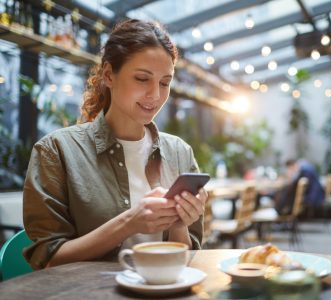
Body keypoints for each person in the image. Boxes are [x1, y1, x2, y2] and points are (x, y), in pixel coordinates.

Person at [23, 19, 207, 270]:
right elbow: (47, 260)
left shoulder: (179, 153)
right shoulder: (56, 151)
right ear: (109, 75)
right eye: (142, 79)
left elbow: (187, 256)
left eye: (165, 82)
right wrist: (130, 222)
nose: (155, 95)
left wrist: (180, 221)